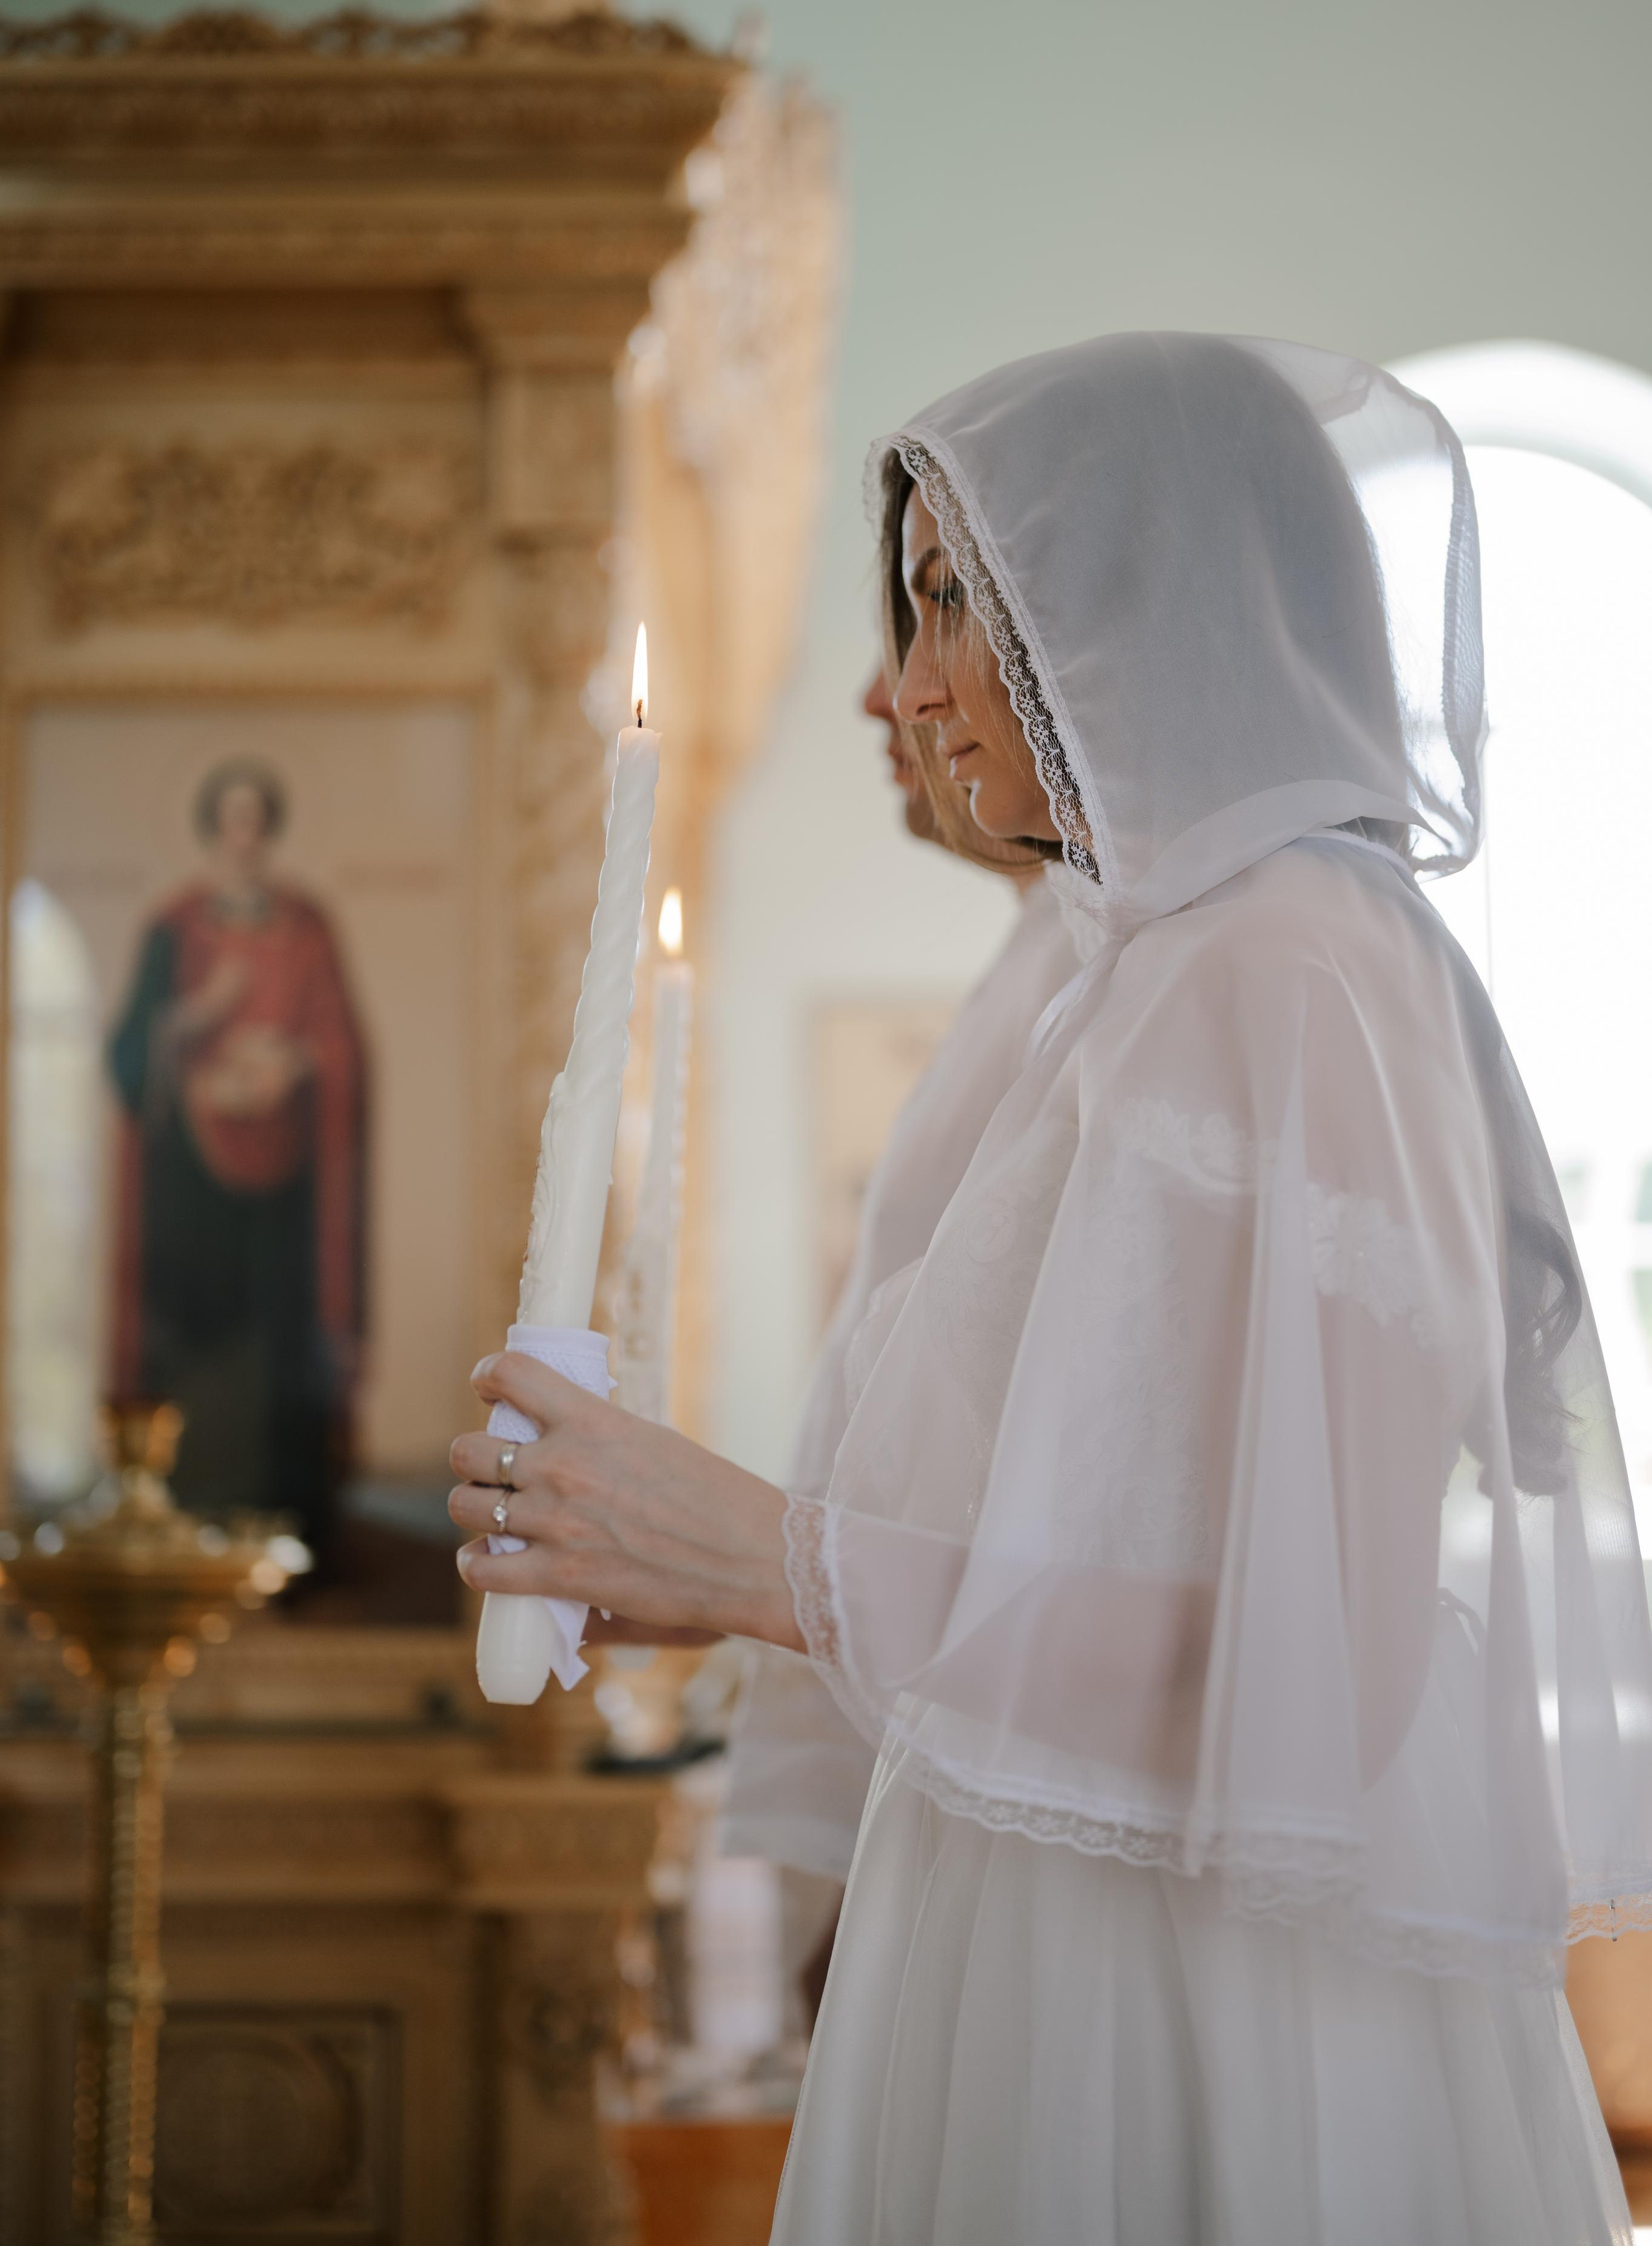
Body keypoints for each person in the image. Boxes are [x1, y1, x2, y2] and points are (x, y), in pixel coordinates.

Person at [451, 334, 1652, 2243]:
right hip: (1035, 1875)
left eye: (952, 602)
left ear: (1142, 596)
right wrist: (682, 1554)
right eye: (918, 602)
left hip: (1188, 1978)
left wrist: (767, 1558)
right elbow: (1031, 1513)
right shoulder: (1141, 964)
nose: (907, 684)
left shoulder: (1286, 962)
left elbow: (1323, 1664)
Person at [718, 656, 1077, 2016]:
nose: (881, 698)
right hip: (945, 1777)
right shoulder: (1043, 957)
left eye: (940, 608)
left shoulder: (1141, 981)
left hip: (1026, 1803)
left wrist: (746, 1560)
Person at [110, 759, 367, 1551]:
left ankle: (285, 1539)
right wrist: (196, 1017)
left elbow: (343, 1047)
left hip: (286, 1188)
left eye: (257, 817)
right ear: (213, 827)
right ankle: (187, 1524)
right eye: (231, 817)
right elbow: (127, 1058)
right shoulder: (174, 927)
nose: (244, 833)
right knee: (198, 1346)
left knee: (281, 1351)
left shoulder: (306, 927)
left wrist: (291, 1063)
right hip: (190, 1184)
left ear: (270, 828)